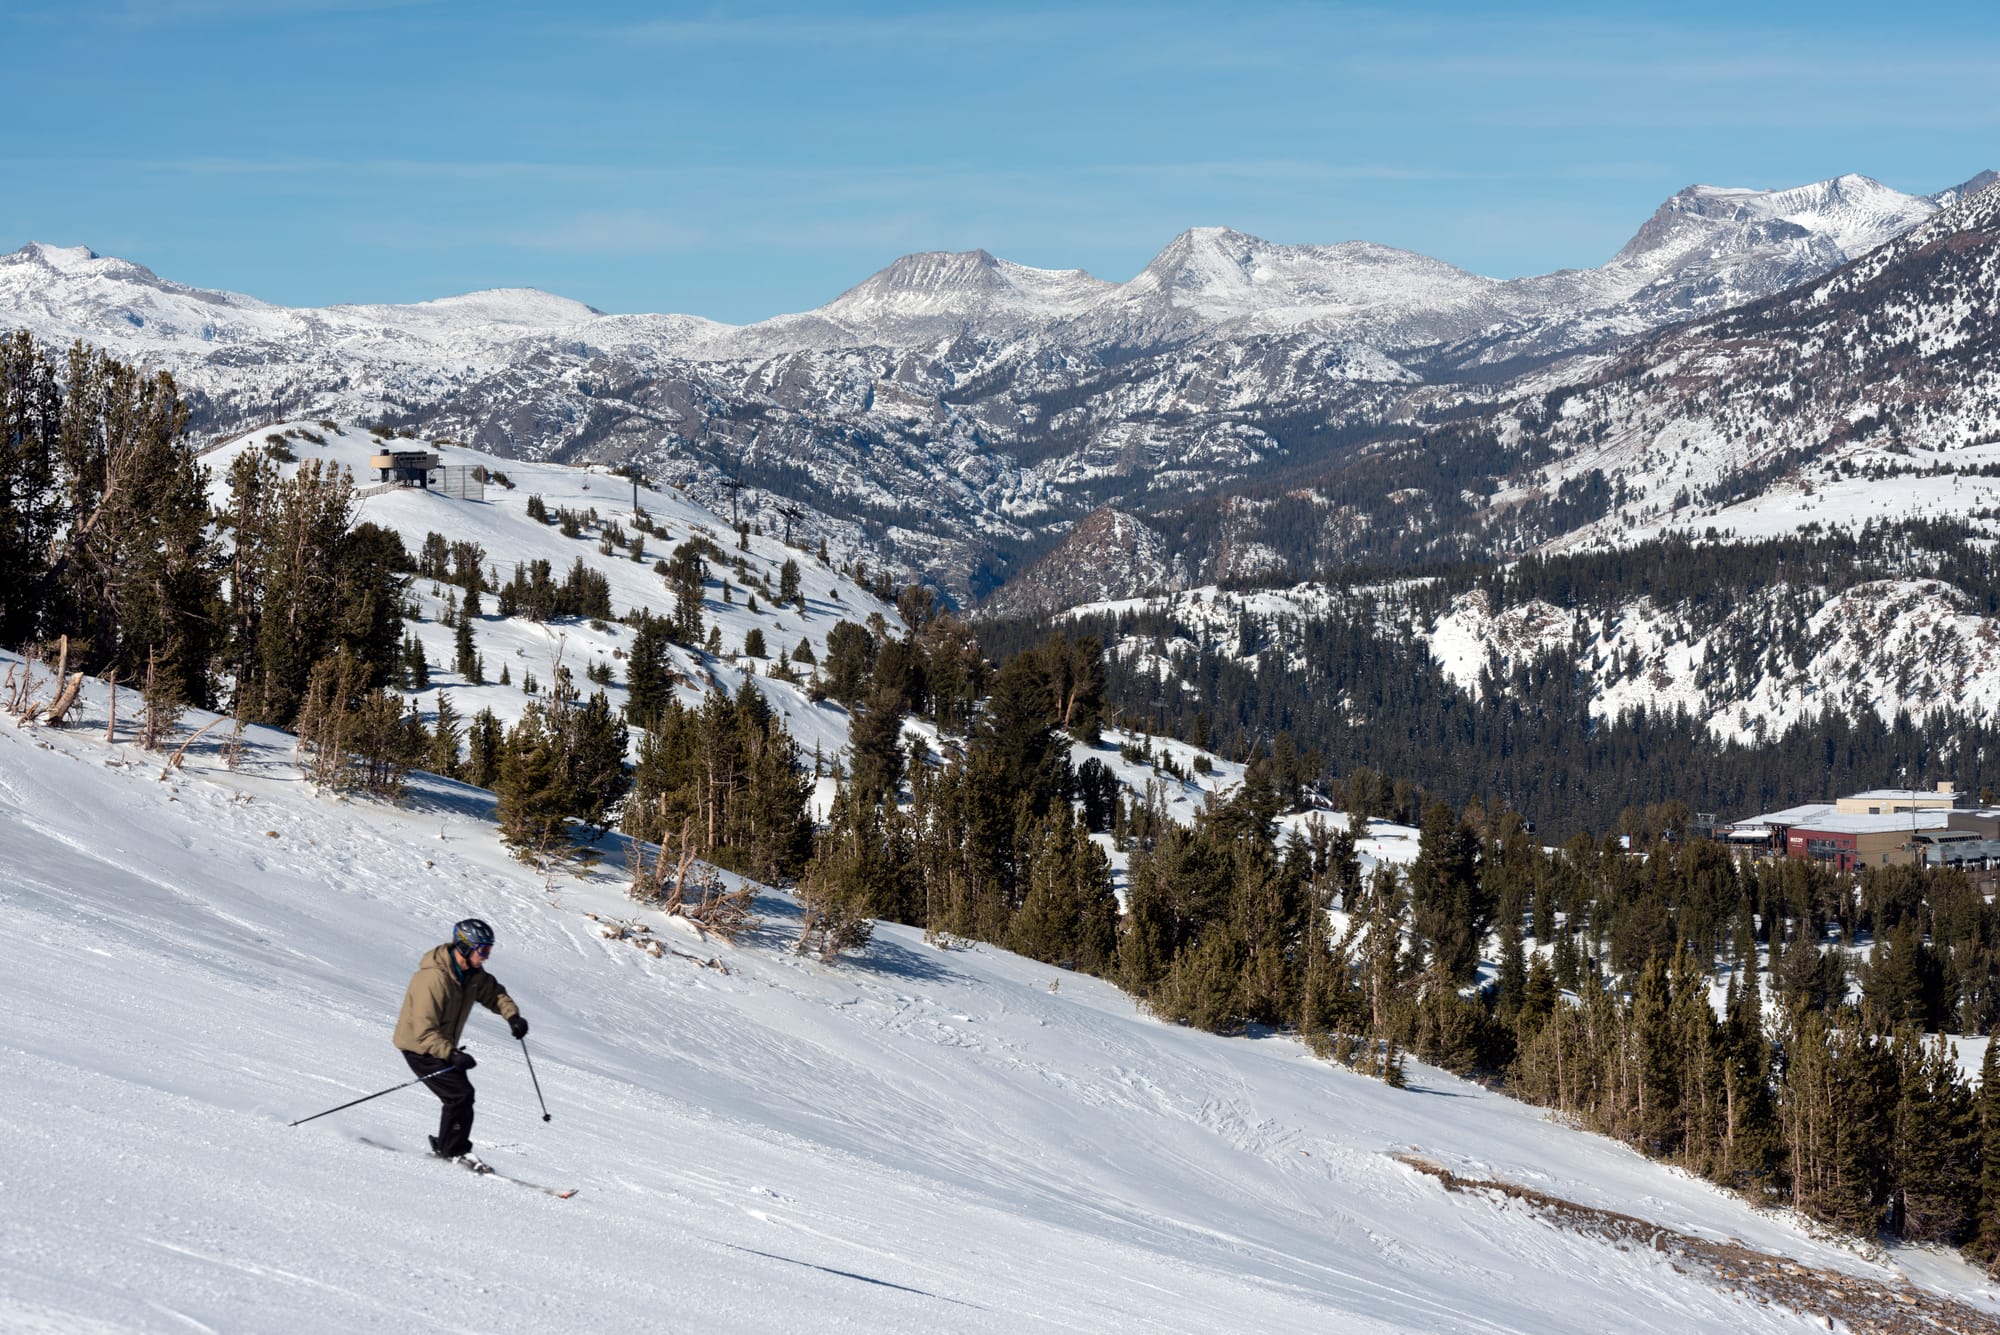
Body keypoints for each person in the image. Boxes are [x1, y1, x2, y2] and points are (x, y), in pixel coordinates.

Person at [392, 918, 529, 1160]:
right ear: (465, 947)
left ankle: (447, 1144)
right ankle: (453, 1151)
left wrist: (513, 1016)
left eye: (489, 950)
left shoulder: (472, 974)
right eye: (483, 950)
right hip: (420, 1048)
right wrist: (452, 1054)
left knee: (460, 1096)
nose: (486, 956)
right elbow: (424, 1032)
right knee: (460, 1095)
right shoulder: (433, 979)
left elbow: (494, 994)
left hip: (441, 1046)